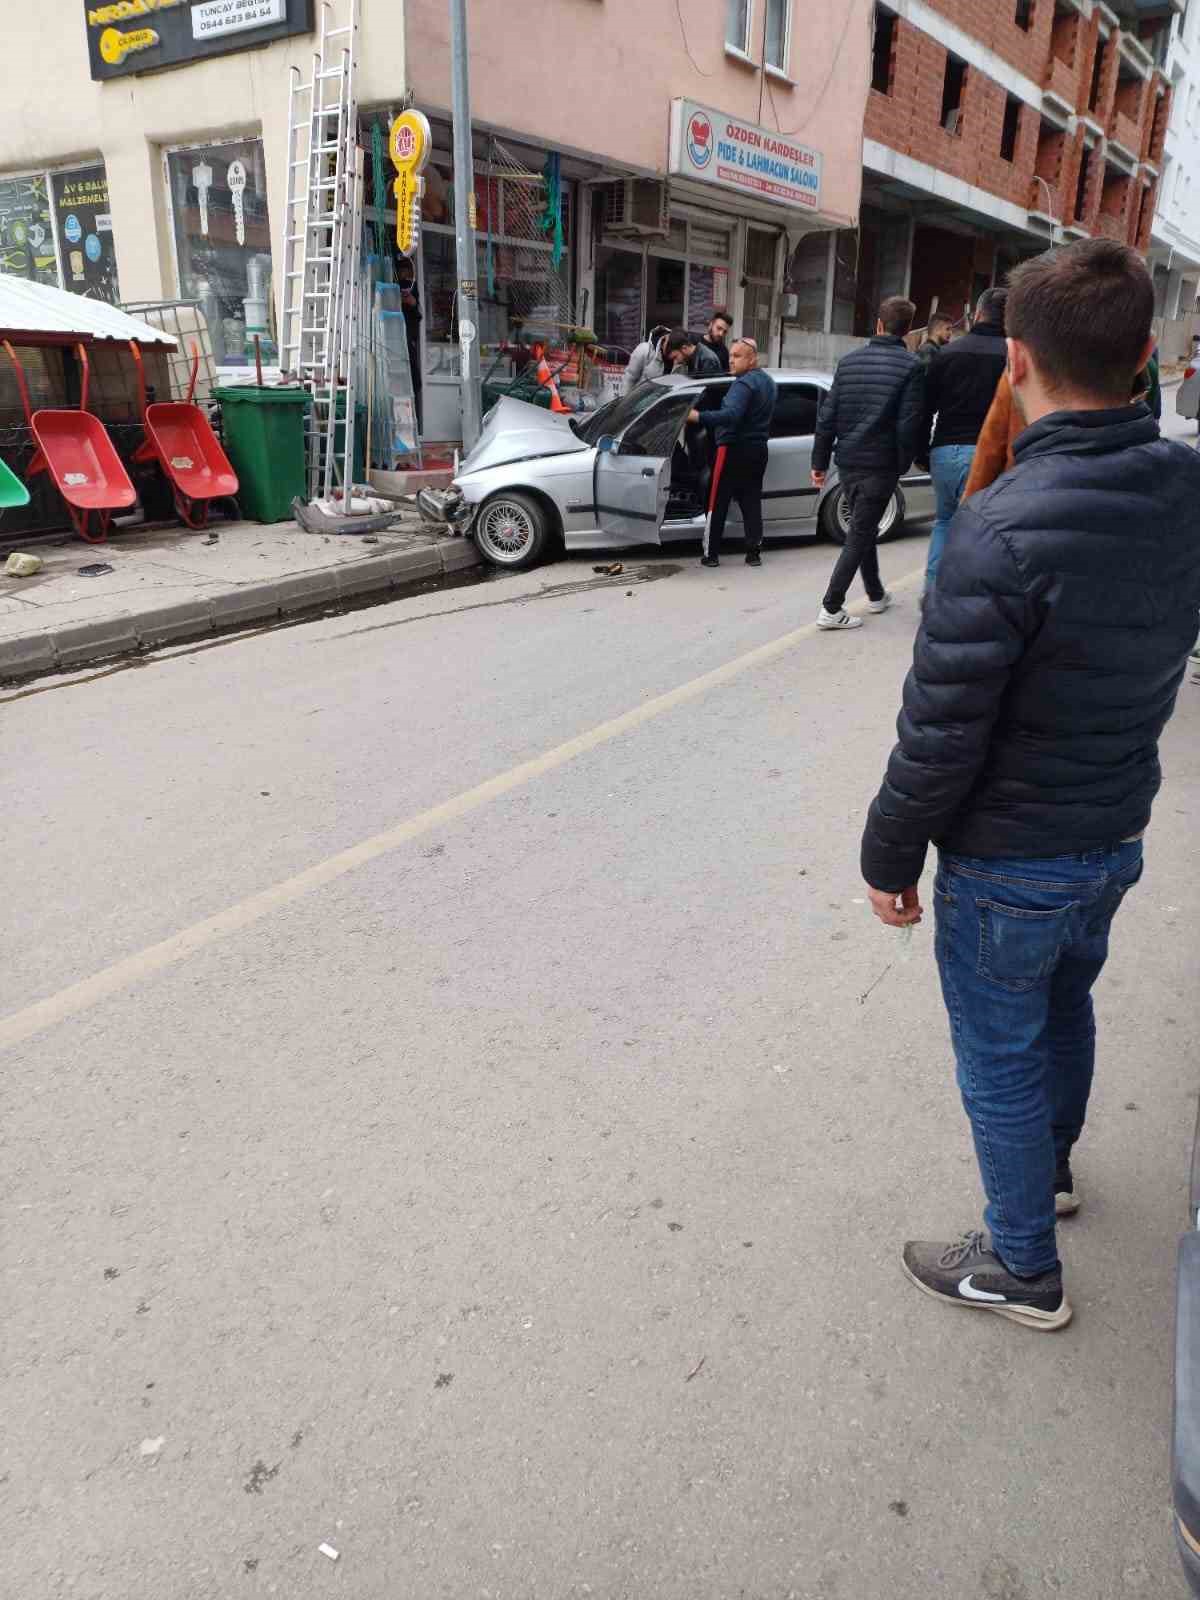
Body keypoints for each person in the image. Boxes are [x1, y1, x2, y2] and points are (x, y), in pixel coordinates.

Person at [860, 237, 1200, 1332]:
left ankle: (1022, 1265)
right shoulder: (1187, 487)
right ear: (1146, 357)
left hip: (1012, 857)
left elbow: (940, 729)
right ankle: (1049, 1175)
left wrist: (887, 855)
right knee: (1066, 1004)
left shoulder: (999, 530)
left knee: (1000, 1049)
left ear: (1016, 359)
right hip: (1113, 832)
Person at [810, 295, 924, 630]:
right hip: (880, 466)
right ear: (906, 330)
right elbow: (909, 424)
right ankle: (831, 607)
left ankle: (876, 595)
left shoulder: (848, 363)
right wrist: (901, 464)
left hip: (847, 463)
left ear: (878, 324)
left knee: (863, 527)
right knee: (860, 533)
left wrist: (819, 460)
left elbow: (826, 418)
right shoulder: (912, 367)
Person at [921, 286, 1008, 584]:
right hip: (989, 455)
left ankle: (932, 597)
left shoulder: (946, 354)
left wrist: (922, 452)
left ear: (978, 314)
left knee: (944, 522)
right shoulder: (1015, 358)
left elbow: (924, 408)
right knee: (985, 531)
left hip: (944, 452)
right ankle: (968, 603)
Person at [687, 337, 776, 567]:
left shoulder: (743, 384)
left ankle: (711, 554)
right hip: (758, 450)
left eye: (738, 356)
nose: (731, 361)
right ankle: (753, 553)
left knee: (717, 501)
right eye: (731, 355)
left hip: (733, 449)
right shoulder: (769, 382)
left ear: (752, 359)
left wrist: (698, 416)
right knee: (751, 500)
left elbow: (731, 416)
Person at [621, 326, 694, 394]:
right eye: (674, 358)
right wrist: (623, 405)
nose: (676, 361)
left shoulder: (681, 356)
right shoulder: (644, 350)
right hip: (639, 402)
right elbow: (629, 379)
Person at [400, 284, 423, 431]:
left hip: (408, 348)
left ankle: (411, 425)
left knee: (412, 385)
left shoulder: (412, 309)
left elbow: (417, 314)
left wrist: (412, 302)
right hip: (397, 348)